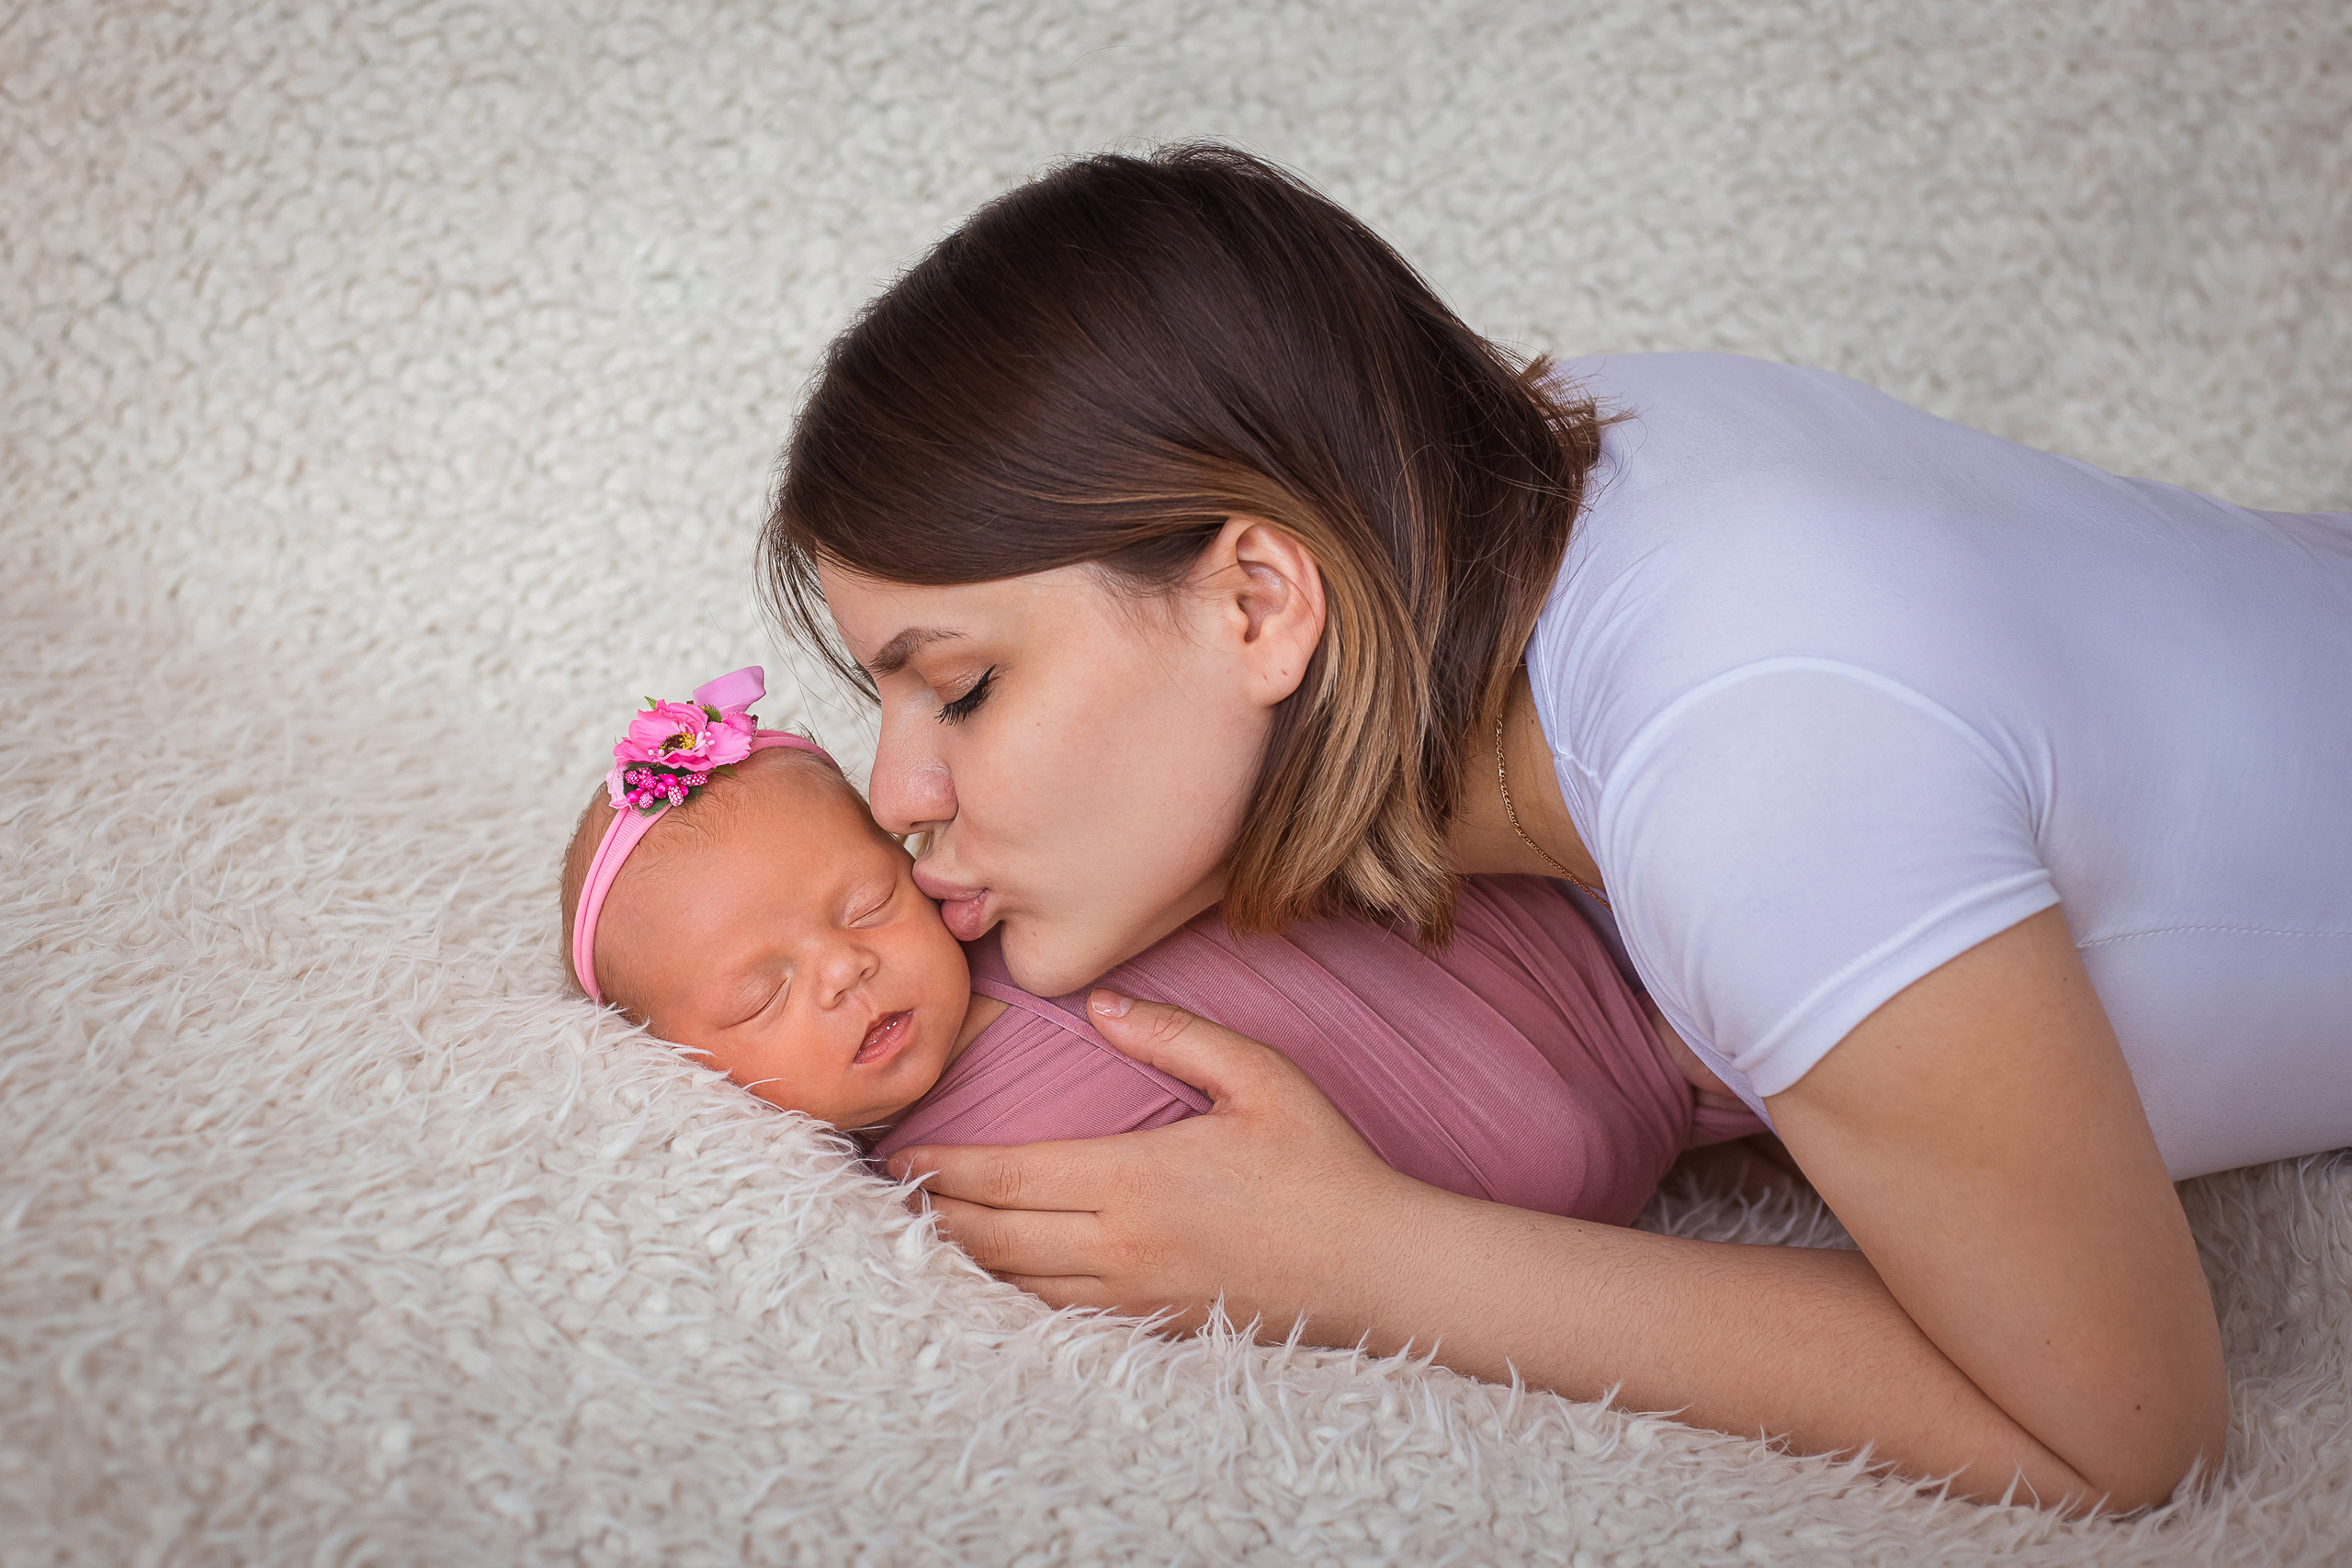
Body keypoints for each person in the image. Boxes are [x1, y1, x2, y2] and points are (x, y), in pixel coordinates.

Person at [757, 144, 2352, 1512]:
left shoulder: (1749, 760)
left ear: (1260, 597)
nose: (898, 795)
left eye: (960, 689)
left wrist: (1369, 1262)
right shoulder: (1560, 456)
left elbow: (2122, 1431)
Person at [559, 669, 1782, 1228]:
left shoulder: (1023, 891)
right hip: (1533, 1190)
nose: (841, 969)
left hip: (1608, 972)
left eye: (867, 904)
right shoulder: (935, 1196)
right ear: (671, 1068)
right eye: (762, 994)